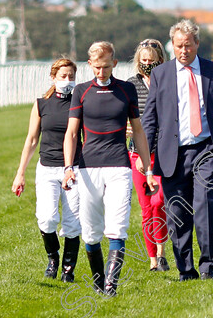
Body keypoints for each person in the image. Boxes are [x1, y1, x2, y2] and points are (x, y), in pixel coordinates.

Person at [142, 19, 213, 281]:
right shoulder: (161, 74)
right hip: (172, 154)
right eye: (178, 46)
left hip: (208, 150)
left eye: (188, 45)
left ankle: (208, 266)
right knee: (177, 213)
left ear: (197, 44)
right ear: (172, 46)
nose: (183, 51)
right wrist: (145, 159)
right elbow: (151, 119)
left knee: (206, 205)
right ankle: (185, 269)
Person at [61, 42, 157, 296]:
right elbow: (72, 133)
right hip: (88, 167)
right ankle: (98, 280)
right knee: (91, 233)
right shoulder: (81, 91)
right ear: (89, 65)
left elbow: (138, 130)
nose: (101, 72)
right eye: (97, 67)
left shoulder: (126, 90)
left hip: (119, 166)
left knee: (117, 225)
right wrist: (68, 167)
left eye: (106, 67)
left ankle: (110, 285)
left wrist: (147, 170)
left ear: (114, 64)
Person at [12, 58, 83, 282]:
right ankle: (53, 258)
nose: (68, 80)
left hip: (75, 170)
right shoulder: (42, 104)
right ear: (53, 77)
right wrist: (20, 172)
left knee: (73, 223)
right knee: (47, 218)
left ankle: (68, 271)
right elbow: (32, 139)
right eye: (63, 76)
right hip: (47, 168)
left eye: (71, 76)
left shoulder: (81, 102)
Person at [126, 39, 169, 272]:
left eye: (151, 61)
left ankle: (162, 249)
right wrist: (125, 126)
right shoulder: (130, 85)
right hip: (138, 155)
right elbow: (120, 114)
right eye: (143, 61)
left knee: (159, 202)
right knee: (146, 207)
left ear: (160, 61)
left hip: (163, 153)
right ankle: (154, 259)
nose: (147, 64)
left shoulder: (168, 82)